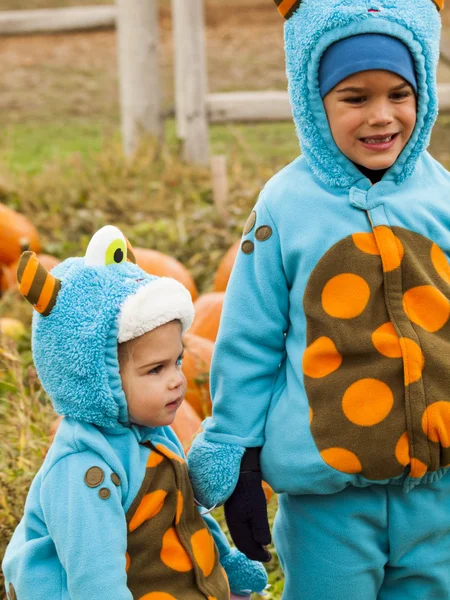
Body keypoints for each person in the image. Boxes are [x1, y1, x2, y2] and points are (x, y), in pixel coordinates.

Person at [187, 0, 450, 598]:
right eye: (355, 98)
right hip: (327, 501)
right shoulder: (285, 208)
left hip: (438, 496)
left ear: (424, 94)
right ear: (313, 99)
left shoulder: (441, 196)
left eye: (399, 94)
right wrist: (240, 453)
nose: (381, 117)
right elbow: (249, 340)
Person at [1, 225, 267, 600]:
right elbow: (95, 579)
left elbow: (185, 515)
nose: (177, 380)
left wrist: (223, 564)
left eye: (177, 361)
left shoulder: (150, 431)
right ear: (97, 376)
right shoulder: (83, 469)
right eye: (156, 370)